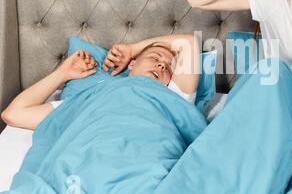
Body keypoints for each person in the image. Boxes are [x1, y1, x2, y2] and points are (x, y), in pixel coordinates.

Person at [1, 34, 199, 131]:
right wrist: (61, 74)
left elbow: (189, 42)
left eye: (169, 66)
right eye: (155, 58)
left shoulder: (175, 96)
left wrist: (133, 48)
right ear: (132, 65)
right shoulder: (91, 100)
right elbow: (13, 114)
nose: (162, 66)